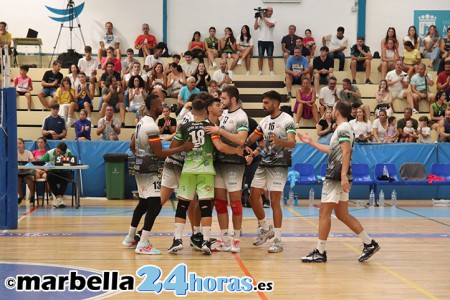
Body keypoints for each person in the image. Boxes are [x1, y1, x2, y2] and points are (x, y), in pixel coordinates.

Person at [298, 100, 380, 263]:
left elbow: (346, 151)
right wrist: (312, 142)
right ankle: (369, 243)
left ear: (337, 112)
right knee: (342, 214)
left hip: (336, 175)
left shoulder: (343, 128)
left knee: (324, 212)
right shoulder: (345, 128)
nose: (331, 111)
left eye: (333, 108)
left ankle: (320, 252)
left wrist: (342, 175)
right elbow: (332, 150)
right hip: (340, 173)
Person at [168, 98, 243, 255]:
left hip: (188, 170)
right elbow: (220, 147)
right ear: (206, 110)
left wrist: (185, 146)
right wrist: (236, 150)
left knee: (182, 205)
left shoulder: (184, 126)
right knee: (205, 205)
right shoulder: (210, 127)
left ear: (192, 111)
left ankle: (177, 240)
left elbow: (173, 147)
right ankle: (206, 242)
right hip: (206, 170)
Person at [122, 94, 194, 255]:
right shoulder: (152, 127)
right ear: (154, 107)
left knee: (143, 203)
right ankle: (143, 243)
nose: (163, 106)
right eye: (160, 104)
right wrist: (183, 147)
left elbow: (132, 144)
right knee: (154, 205)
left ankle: (130, 237)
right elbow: (160, 153)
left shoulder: (141, 122)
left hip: (139, 168)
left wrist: (141, 157)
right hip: (149, 170)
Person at [244, 90, 296, 253]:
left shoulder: (287, 120)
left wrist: (280, 141)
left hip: (279, 165)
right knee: (253, 197)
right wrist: (244, 146)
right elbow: (253, 139)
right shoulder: (265, 121)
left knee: (274, 201)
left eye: (266, 102)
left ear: (275, 103)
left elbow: (292, 143)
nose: (263, 105)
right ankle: (267, 229)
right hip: (264, 163)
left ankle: (278, 240)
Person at [203, 86, 249, 253]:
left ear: (233, 99)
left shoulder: (241, 116)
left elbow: (241, 140)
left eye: (223, 99)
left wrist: (219, 130)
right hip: (218, 163)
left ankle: (236, 239)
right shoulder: (222, 115)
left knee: (235, 203)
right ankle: (224, 239)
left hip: (234, 164)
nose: (221, 101)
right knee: (220, 203)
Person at [40, 142, 74, 208]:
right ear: (56, 148)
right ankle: (59, 199)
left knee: (65, 177)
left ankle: (58, 199)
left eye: (60, 152)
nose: (58, 153)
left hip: (64, 172)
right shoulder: (50, 153)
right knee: (49, 177)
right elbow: (41, 162)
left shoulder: (68, 153)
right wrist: (45, 167)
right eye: (57, 151)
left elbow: (73, 163)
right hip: (53, 173)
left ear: (64, 152)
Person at [254, 6, 276, 75]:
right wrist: (256, 18)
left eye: (271, 11)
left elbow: (269, 25)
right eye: (269, 11)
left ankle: (271, 71)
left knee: (270, 56)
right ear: (266, 11)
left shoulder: (273, 20)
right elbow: (255, 28)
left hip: (269, 41)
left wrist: (263, 17)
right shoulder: (260, 19)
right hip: (261, 40)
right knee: (260, 56)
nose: (270, 12)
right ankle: (260, 71)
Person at [17, 138, 35, 205]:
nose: (18, 145)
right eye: (16, 143)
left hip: (27, 172)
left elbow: (33, 161)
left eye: (20, 143)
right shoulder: (14, 153)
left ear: (23, 144)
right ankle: (21, 196)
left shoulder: (28, 152)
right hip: (18, 173)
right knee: (16, 182)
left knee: (29, 180)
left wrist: (31, 161)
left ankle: (32, 195)